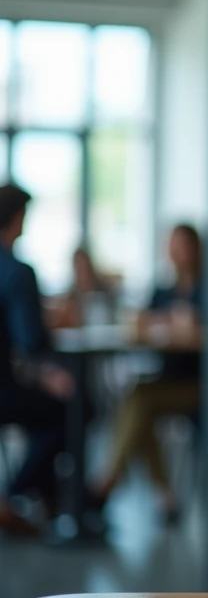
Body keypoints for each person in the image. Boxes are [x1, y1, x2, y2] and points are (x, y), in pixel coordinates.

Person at [89, 224, 204, 521]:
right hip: (167, 379)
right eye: (172, 245)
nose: (176, 252)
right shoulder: (163, 289)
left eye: (182, 245)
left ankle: (112, 479)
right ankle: (162, 494)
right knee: (138, 404)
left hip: (201, 383)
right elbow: (142, 323)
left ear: (195, 249)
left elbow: (207, 333)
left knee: (139, 401)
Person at [0, 184, 72, 537]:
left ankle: (49, 501)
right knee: (71, 410)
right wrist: (48, 374)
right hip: (4, 391)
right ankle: (15, 496)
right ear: (18, 219)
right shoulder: (17, 271)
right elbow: (30, 341)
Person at [48, 247, 116, 330]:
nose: (81, 269)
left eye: (83, 265)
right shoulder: (71, 296)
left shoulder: (104, 291)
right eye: (78, 265)